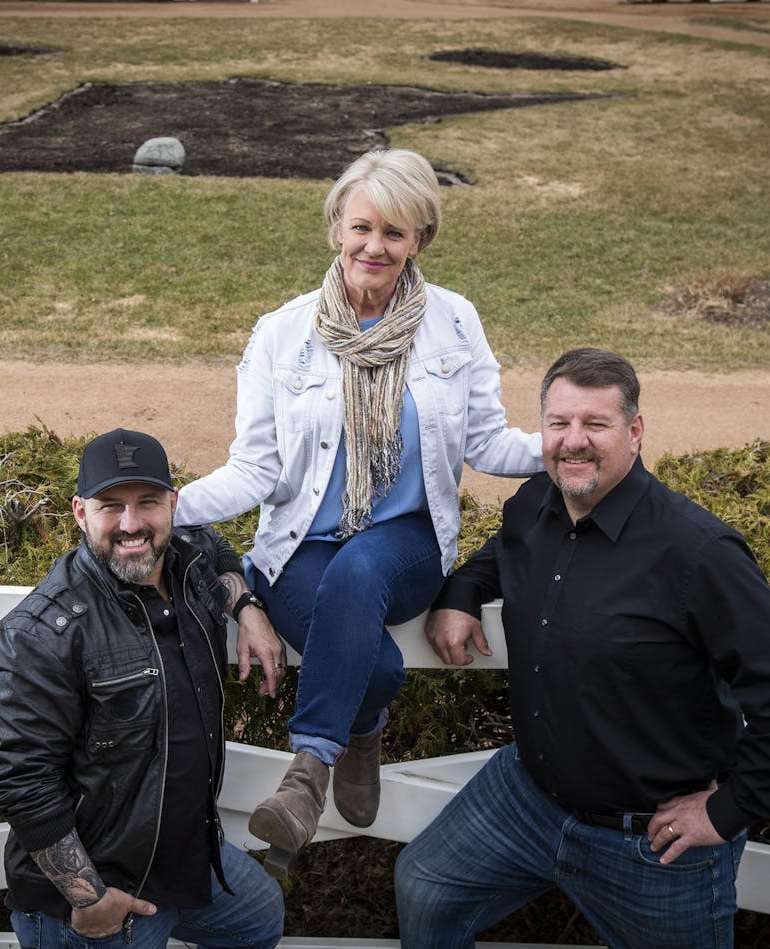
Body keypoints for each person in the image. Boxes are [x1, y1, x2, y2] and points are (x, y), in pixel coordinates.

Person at [174, 147, 541, 877]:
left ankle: (306, 772)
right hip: (298, 545)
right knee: (366, 657)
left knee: (361, 566)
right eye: (362, 227)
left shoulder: (455, 322)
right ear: (336, 227)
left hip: (405, 541)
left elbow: (485, 440)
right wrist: (164, 506)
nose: (375, 246)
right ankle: (364, 724)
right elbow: (258, 467)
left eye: (395, 233)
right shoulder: (281, 332)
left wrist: (567, 449)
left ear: (419, 241)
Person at [395, 348, 770, 949]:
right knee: (424, 885)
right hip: (527, 796)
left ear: (634, 431)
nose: (574, 442)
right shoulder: (533, 508)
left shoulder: (697, 553)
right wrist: (461, 593)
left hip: (649, 839)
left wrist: (730, 810)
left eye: (595, 425)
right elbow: (495, 561)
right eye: (559, 424)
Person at [0, 428, 288, 949]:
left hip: (186, 855)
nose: (131, 525)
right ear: (80, 512)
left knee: (259, 920)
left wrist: (248, 609)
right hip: (100, 894)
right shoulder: (42, 632)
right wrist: (87, 897)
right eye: (111, 506)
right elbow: (19, 780)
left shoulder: (188, 562)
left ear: (174, 503)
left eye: (148, 502)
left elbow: (214, 547)